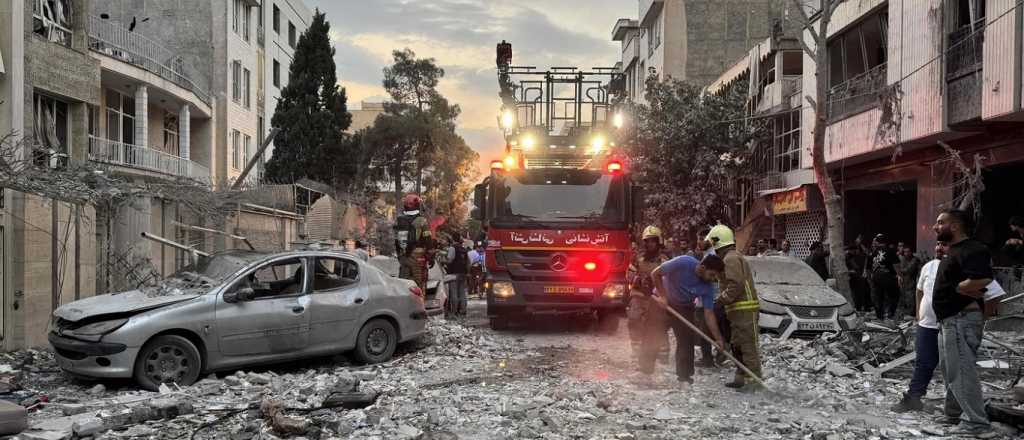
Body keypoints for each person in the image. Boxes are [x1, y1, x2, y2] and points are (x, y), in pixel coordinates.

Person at [931, 210, 993, 436]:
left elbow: (984, 277)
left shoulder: (973, 249)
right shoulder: (953, 250)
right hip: (949, 320)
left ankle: (976, 423)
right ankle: (953, 414)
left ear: (955, 226)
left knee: (962, 371)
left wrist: (960, 289)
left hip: (960, 319)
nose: (935, 227)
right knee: (950, 370)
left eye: (940, 223)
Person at [649, 253, 727, 384]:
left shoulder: (708, 287)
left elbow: (709, 313)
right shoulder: (683, 262)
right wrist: (663, 296)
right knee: (652, 335)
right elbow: (655, 273)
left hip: (684, 307)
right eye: (712, 274)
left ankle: (684, 377)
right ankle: (644, 371)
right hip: (662, 301)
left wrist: (718, 338)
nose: (713, 279)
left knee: (686, 341)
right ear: (702, 267)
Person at [706, 225, 763, 391]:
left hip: (744, 310)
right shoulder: (730, 258)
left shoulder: (730, 258)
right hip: (737, 311)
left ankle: (754, 381)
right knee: (737, 346)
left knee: (747, 346)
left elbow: (735, 284)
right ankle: (741, 377)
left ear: (718, 242)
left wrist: (720, 300)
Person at [627, 226, 669, 365]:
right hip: (639, 294)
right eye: (647, 241)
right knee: (634, 318)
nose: (649, 243)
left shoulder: (665, 260)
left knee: (659, 323)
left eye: (653, 241)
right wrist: (636, 279)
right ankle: (637, 350)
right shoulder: (637, 258)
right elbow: (629, 274)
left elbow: (670, 278)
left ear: (658, 242)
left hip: (657, 296)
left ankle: (662, 351)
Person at [394, 194, 434, 290]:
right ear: (418, 205)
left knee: (404, 285)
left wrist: (400, 255)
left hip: (404, 256)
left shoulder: (399, 220)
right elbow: (428, 240)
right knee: (419, 285)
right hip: (418, 256)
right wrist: (431, 256)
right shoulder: (422, 221)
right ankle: (418, 303)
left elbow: (396, 241)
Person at [869, 234, 900, 321]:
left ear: (877, 242)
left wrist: (871, 278)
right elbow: (896, 265)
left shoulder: (873, 252)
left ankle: (880, 317)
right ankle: (890, 315)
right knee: (894, 296)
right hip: (888, 276)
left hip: (876, 277)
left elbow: (869, 267)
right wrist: (899, 275)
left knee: (878, 297)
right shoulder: (890, 250)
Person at [444, 234, 469, 317]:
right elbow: (468, 262)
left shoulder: (452, 248)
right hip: (463, 273)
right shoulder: (464, 249)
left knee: (454, 292)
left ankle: (454, 311)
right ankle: (463, 310)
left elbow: (450, 260)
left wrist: (444, 260)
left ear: (452, 239)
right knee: (462, 292)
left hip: (453, 274)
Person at [896, 245, 923, 318]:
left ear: (911, 252)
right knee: (903, 300)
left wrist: (897, 270)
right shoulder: (903, 259)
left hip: (911, 283)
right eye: (905, 252)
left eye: (908, 252)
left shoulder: (915, 260)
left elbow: (908, 269)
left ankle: (910, 315)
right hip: (903, 283)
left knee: (911, 301)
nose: (906, 253)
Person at [845, 244, 871, 313]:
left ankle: (864, 307)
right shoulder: (847, 256)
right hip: (853, 278)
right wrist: (850, 271)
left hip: (859, 277)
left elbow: (866, 255)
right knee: (856, 294)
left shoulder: (855, 256)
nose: (856, 251)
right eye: (854, 250)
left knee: (863, 292)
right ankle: (858, 308)